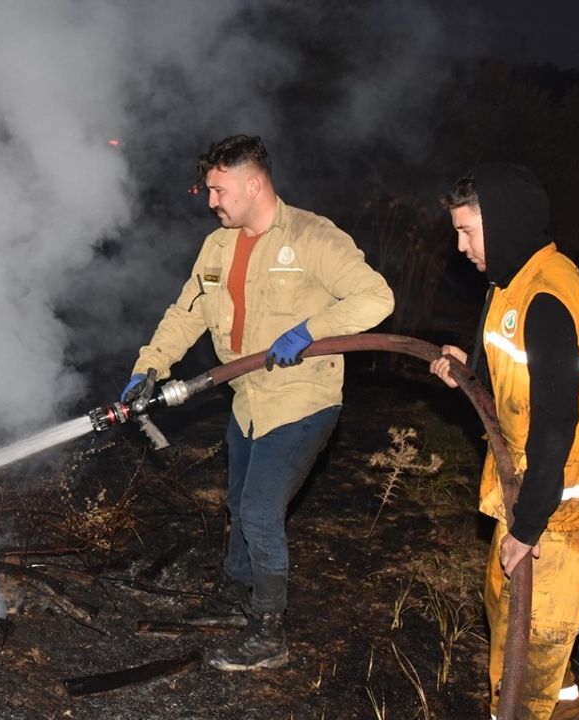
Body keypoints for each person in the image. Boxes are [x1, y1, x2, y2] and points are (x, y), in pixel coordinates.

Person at [121, 134, 393, 671]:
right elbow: (186, 313)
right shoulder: (217, 246)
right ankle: (233, 594)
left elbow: (376, 298)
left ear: (253, 183)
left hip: (303, 399)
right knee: (239, 502)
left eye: (218, 190)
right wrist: (147, 368)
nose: (210, 200)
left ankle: (270, 632)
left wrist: (311, 330)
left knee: (260, 509)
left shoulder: (313, 237)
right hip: (248, 398)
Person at [430, 163, 579, 719]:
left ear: (508, 222)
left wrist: (530, 523)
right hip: (532, 494)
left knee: (526, 665)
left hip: (565, 507)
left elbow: (556, 422)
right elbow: (509, 379)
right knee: (510, 617)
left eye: (468, 230)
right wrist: (466, 370)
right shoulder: (510, 284)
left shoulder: (548, 297)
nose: (460, 245)